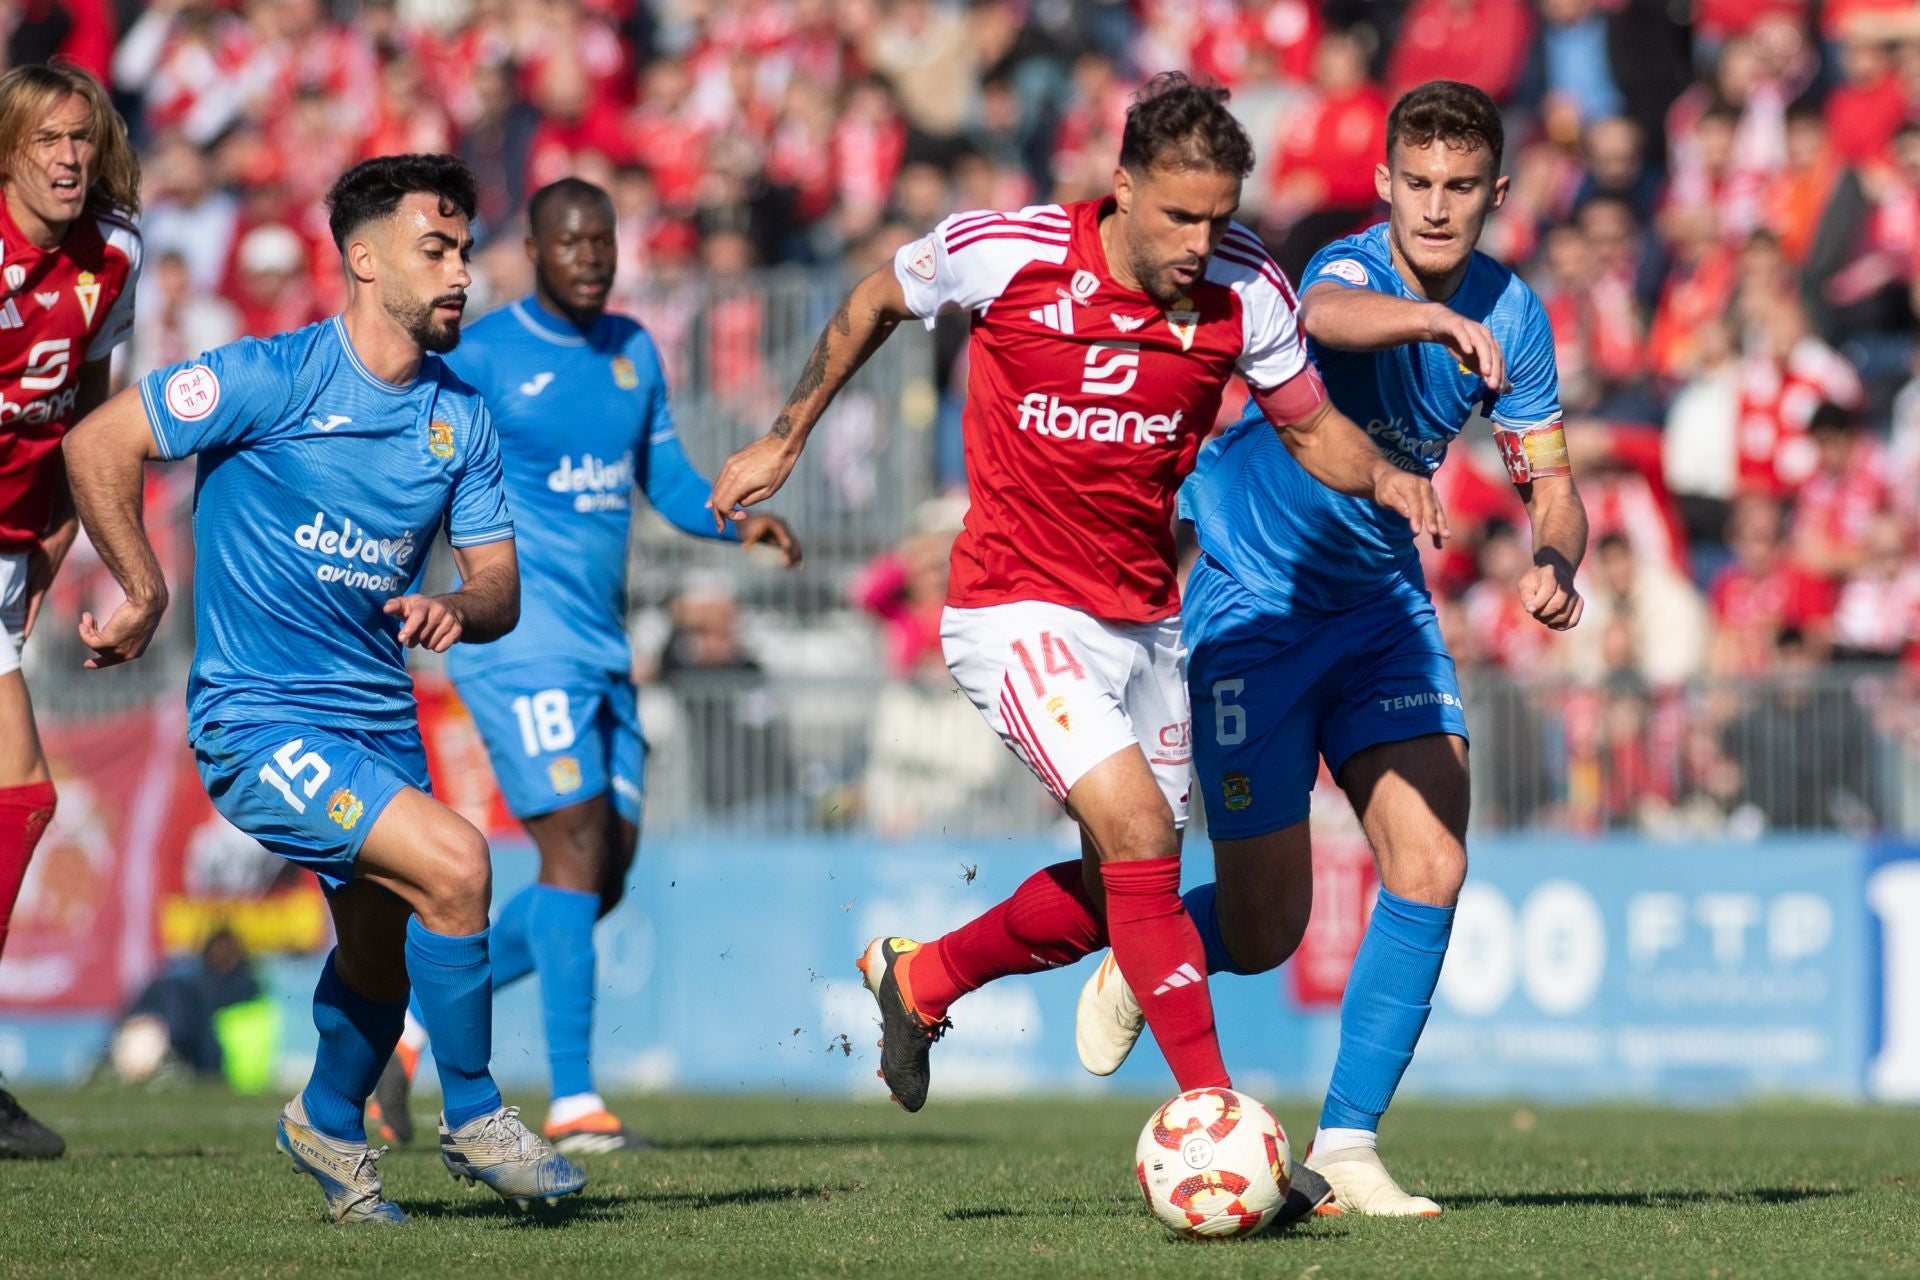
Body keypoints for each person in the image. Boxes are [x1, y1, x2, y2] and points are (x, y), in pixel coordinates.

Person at [708, 73, 1443, 1124]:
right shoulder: (1007, 249)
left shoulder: (1246, 289)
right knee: (1141, 829)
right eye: (1180, 214)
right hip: (1014, 604)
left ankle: (921, 980)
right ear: (1123, 186)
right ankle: (1215, 1120)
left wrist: (1381, 472)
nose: (1200, 240)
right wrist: (786, 435)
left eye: (1220, 216)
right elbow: (876, 296)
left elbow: (1307, 421)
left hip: (1146, 616)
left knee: (1122, 888)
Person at [1075, 81, 1589, 1217]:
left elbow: (1552, 482)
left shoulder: (1517, 314)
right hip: (1253, 601)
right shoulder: (1352, 270)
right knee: (1266, 928)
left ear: (1496, 191)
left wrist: (1559, 558)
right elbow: (1322, 320)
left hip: (1381, 610)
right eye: (1420, 185)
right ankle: (1149, 949)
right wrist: (1437, 322)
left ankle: (1347, 1145)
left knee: (1433, 862)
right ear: (1385, 186)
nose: (1439, 208)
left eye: (1463, 188)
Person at [61, 153, 587, 1223]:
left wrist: (458, 603)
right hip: (258, 720)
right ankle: (476, 1110)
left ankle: (328, 1122)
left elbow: (498, 585)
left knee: (379, 951)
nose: (458, 275)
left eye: (465, 253)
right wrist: (144, 584)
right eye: (433, 251)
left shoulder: (460, 421)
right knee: (458, 863)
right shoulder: (271, 378)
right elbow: (99, 436)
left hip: (378, 718)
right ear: (362, 258)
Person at [368, 177, 798, 1155]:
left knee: (603, 873)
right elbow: (417, 460)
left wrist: (738, 520)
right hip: (517, 643)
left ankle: (406, 1032)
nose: (592, 257)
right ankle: (575, 1102)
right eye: (572, 243)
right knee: (571, 847)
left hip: (604, 650)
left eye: (603, 241)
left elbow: (669, 479)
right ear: (534, 247)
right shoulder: (481, 354)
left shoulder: (633, 350)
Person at [0, 63, 143, 1162]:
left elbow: (90, 424)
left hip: (12, 549)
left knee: (23, 803)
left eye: (81, 139)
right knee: (22, 795)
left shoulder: (115, 258)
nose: (67, 156)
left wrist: (57, 541)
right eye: (48, 137)